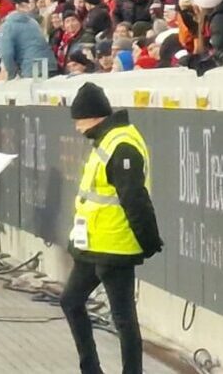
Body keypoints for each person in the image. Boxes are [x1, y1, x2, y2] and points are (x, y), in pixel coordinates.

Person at [61, 82, 161, 374]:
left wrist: (148, 240)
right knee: (70, 301)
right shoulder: (106, 140)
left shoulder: (121, 145)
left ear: (94, 116)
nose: (78, 127)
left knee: (124, 318)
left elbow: (134, 198)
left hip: (114, 245)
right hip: (92, 245)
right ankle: (90, 368)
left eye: (79, 120)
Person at [0, 2, 54, 79]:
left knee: (34, 89)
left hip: (31, 67)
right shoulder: (33, 22)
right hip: (50, 63)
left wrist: (12, 74)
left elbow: (6, 53)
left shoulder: (7, 26)